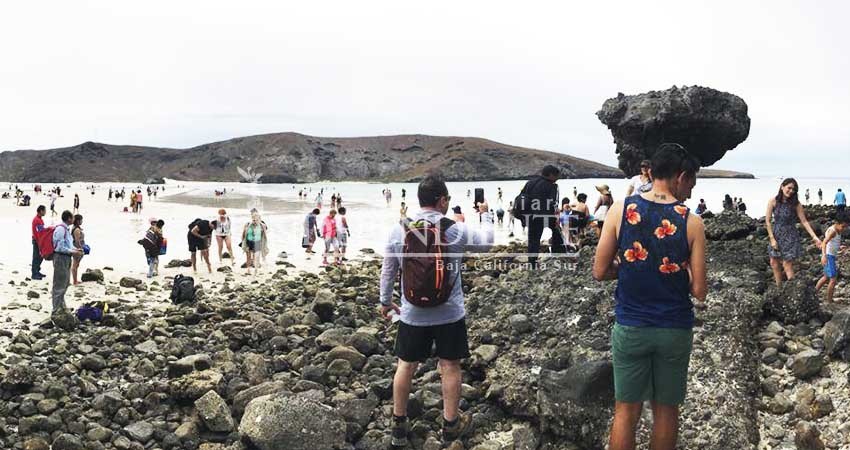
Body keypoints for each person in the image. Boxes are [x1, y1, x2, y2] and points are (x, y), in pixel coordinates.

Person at [592, 143, 707, 450]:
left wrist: (631, 267)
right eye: (691, 184)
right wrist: (676, 272)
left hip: (631, 326)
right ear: (680, 176)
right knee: (666, 410)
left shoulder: (621, 209)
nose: (690, 194)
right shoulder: (692, 221)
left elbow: (600, 270)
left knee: (625, 411)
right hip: (674, 329)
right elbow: (699, 291)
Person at [379, 175, 494, 448]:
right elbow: (487, 243)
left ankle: (398, 423)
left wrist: (385, 301)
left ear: (420, 200)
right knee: (450, 366)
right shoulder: (454, 229)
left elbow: (388, 270)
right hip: (450, 313)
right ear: (442, 200)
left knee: (405, 365)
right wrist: (485, 214)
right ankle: (451, 425)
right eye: (448, 199)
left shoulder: (400, 230)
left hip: (412, 312)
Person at [766, 178, 822, 285]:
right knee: (774, 263)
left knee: (787, 264)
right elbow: (767, 221)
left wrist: (815, 237)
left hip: (791, 235)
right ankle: (779, 289)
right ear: (782, 186)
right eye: (789, 188)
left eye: (794, 189)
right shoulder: (773, 201)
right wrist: (772, 239)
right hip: (776, 234)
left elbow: (804, 221)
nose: (791, 191)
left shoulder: (796, 204)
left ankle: (793, 291)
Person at [520, 165, 565, 267]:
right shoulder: (552, 186)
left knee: (533, 239)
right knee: (556, 231)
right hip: (545, 215)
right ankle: (558, 254)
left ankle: (532, 262)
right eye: (557, 176)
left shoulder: (530, 183)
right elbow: (553, 203)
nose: (558, 178)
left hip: (531, 215)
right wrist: (556, 217)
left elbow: (523, 197)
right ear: (551, 175)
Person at [52, 210, 83, 317]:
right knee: (59, 284)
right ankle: (56, 309)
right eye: (72, 217)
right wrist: (73, 251)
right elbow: (59, 247)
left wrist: (76, 250)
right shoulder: (61, 229)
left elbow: (69, 245)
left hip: (66, 257)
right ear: (69, 218)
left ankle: (61, 306)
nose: (73, 219)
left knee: (65, 283)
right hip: (60, 258)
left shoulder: (66, 229)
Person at [815, 213, 847, 303]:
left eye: (845, 227)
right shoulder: (832, 231)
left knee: (825, 277)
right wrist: (824, 256)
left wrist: (839, 247)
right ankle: (829, 301)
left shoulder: (838, 230)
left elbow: (833, 243)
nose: (844, 229)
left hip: (831, 255)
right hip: (829, 256)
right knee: (833, 279)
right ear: (837, 223)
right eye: (843, 226)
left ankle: (814, 293)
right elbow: (824, 242)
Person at [31, 205, 47, 280]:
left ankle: (37, 271)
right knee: (36, 257)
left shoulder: (39, 219)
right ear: (41, 211)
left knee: (40, 257)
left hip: (39, 240)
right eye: (44, 210)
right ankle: (34, 273)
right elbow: (39, 232)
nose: (45, 212)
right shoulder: (37, 220)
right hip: (37, 240)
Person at [70, 214, 85, 285]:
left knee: (76, 265)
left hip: (76, 248)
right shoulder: (77, 229)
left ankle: (75, 280)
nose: (82, 221)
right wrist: (80, 249)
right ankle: (75, 281)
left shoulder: (75, 228)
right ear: (78, 221)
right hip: (77, 248)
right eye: (81, 220)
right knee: (75, 265)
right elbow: (77, 241)